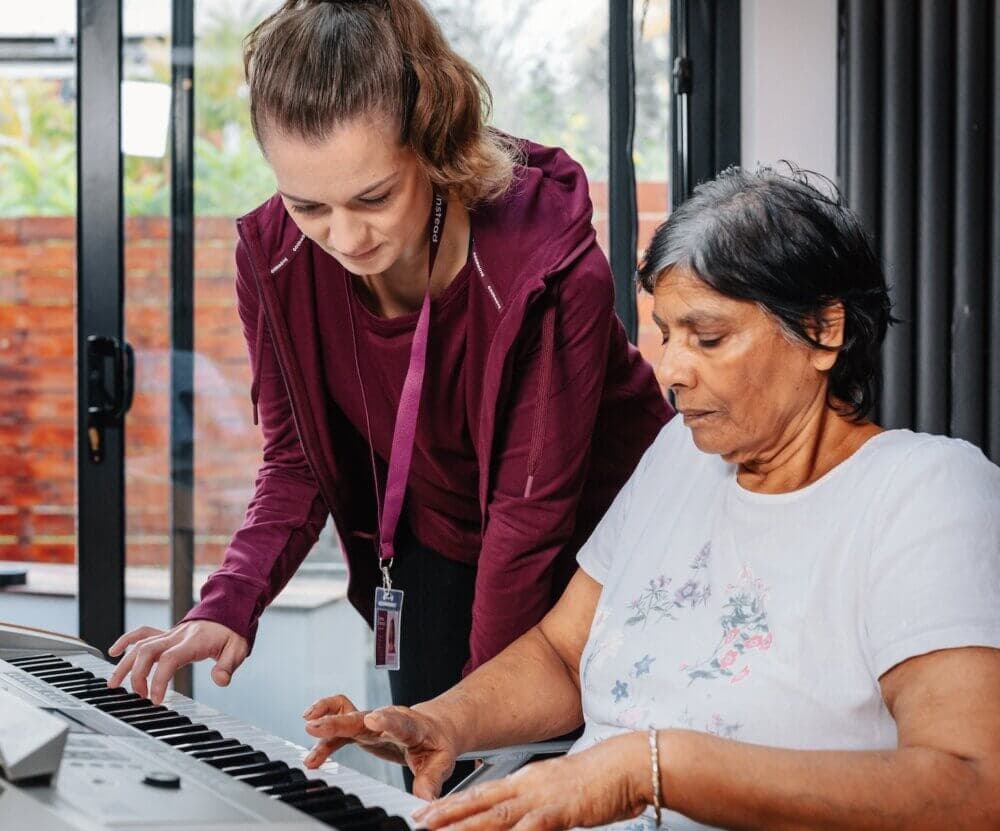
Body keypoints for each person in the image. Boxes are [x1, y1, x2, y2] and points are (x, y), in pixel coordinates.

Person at [298, 166, 1000, 829]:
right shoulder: (679, 457)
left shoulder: (925, 491)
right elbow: (562, 652)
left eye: (710, 337)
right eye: (666, 335)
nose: (672, 372)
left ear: (822, 330)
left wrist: (650, 768)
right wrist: (444, 720)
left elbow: (971, 787)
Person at [106, 0, 669, 792]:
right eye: (309, 205)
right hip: (439, 538)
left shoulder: (549, 267)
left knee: (536, 785)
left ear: (434, 145)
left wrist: (472, 724)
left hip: (596, 545)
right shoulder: (275, 260)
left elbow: (530, 514)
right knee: (434, 780)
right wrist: (225, 604)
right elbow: (296, 455)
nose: (343, 237)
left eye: (373, 198)